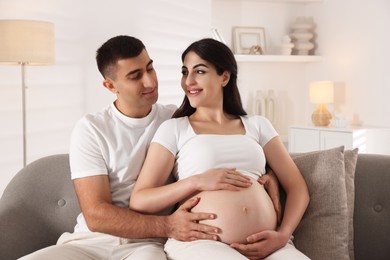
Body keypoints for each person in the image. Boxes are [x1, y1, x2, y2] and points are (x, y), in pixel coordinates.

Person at [20, 35, 281, 260]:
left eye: (150, 68)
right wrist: (168, 225)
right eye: (135, 76)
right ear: (110, 86)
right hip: (92, 241)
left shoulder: (176, 120)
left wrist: (269, 177)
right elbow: (97, 215)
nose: (149, 82)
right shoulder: (91, 129)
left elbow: (227, 144)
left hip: (147, 244)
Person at [129, 38, 310, 260]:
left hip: (271, 244)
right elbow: (140, 200)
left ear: (224, 76)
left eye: (200, 71)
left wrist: (283, 235)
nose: (189, 81)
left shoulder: (258, 125)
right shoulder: (175, 129)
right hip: (202, 243)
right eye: (185, 72)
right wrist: (197, 181)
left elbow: (297, 187)